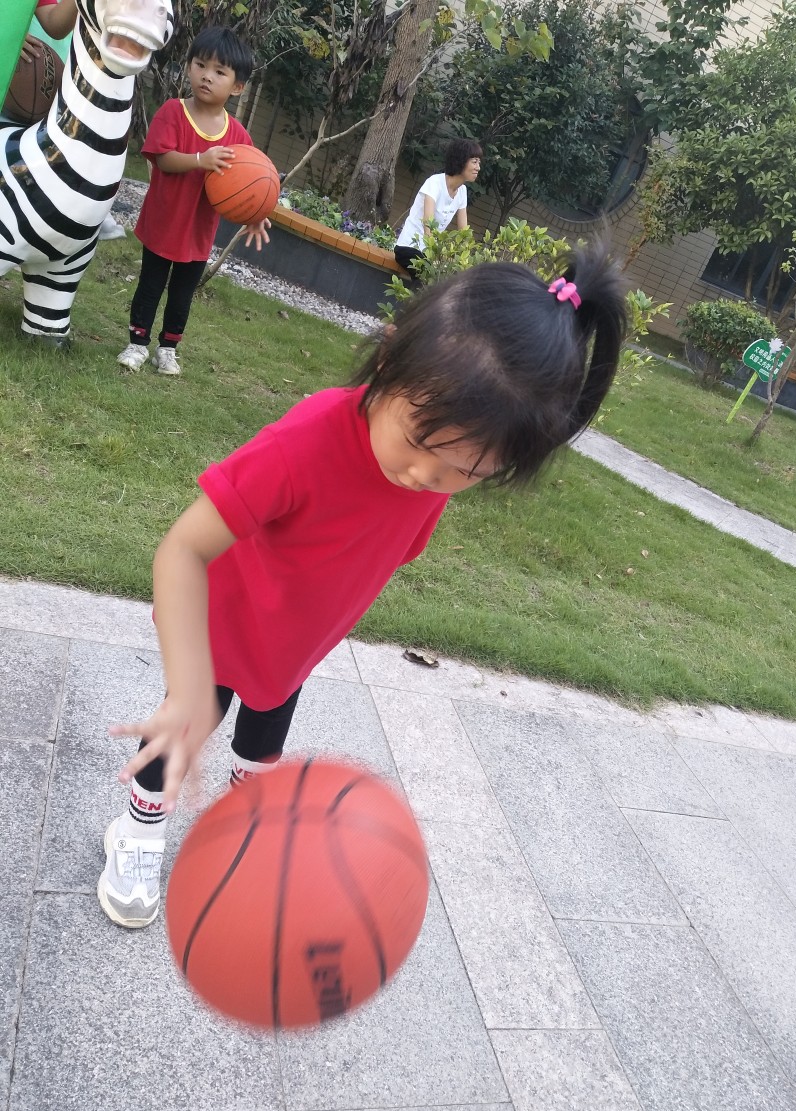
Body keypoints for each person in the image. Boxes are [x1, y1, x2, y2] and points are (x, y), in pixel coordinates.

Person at [97, 246, 629, 928]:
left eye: (464, 472)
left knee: (263, 748)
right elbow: (182, 549)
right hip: (224, 626)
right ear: (387, 361)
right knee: (183, 730)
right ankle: (137, 833)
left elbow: (377, 552)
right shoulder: (305, 443)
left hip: (295, 646)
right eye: (419, 442)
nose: (425, 477)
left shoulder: (430, 480)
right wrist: (190, 681)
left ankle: (239, 832)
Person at [116, 26, 270, 378]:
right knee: (150, 285)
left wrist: (256, 214)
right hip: (163, 223)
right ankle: (137, 344)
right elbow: (164, 159)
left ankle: (168, 349)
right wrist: (201, 159)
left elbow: (250, 185)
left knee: (182, 294)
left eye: (219, 71)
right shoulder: (173, 112)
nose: (207, 76)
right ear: (189, 67)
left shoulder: (238, 137)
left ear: (237, 87)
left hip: (198, 233)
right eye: (200, 65)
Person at [15, 0, 126, 240]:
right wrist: (8, 35)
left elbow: (55, 24)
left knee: (67, 145)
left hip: (55, 75)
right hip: (18, 74)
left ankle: (82, 205)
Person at [393, 138, 483, 278]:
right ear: (461, 161)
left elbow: (464, 232)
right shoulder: (435, 182)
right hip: (409, 247)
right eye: (474, 162)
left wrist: (466, 261)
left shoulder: (462, 192)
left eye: (479, 163)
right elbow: (428, 225)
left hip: (428, 254)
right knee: (430, 277)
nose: (478, 168)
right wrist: (436, 259)